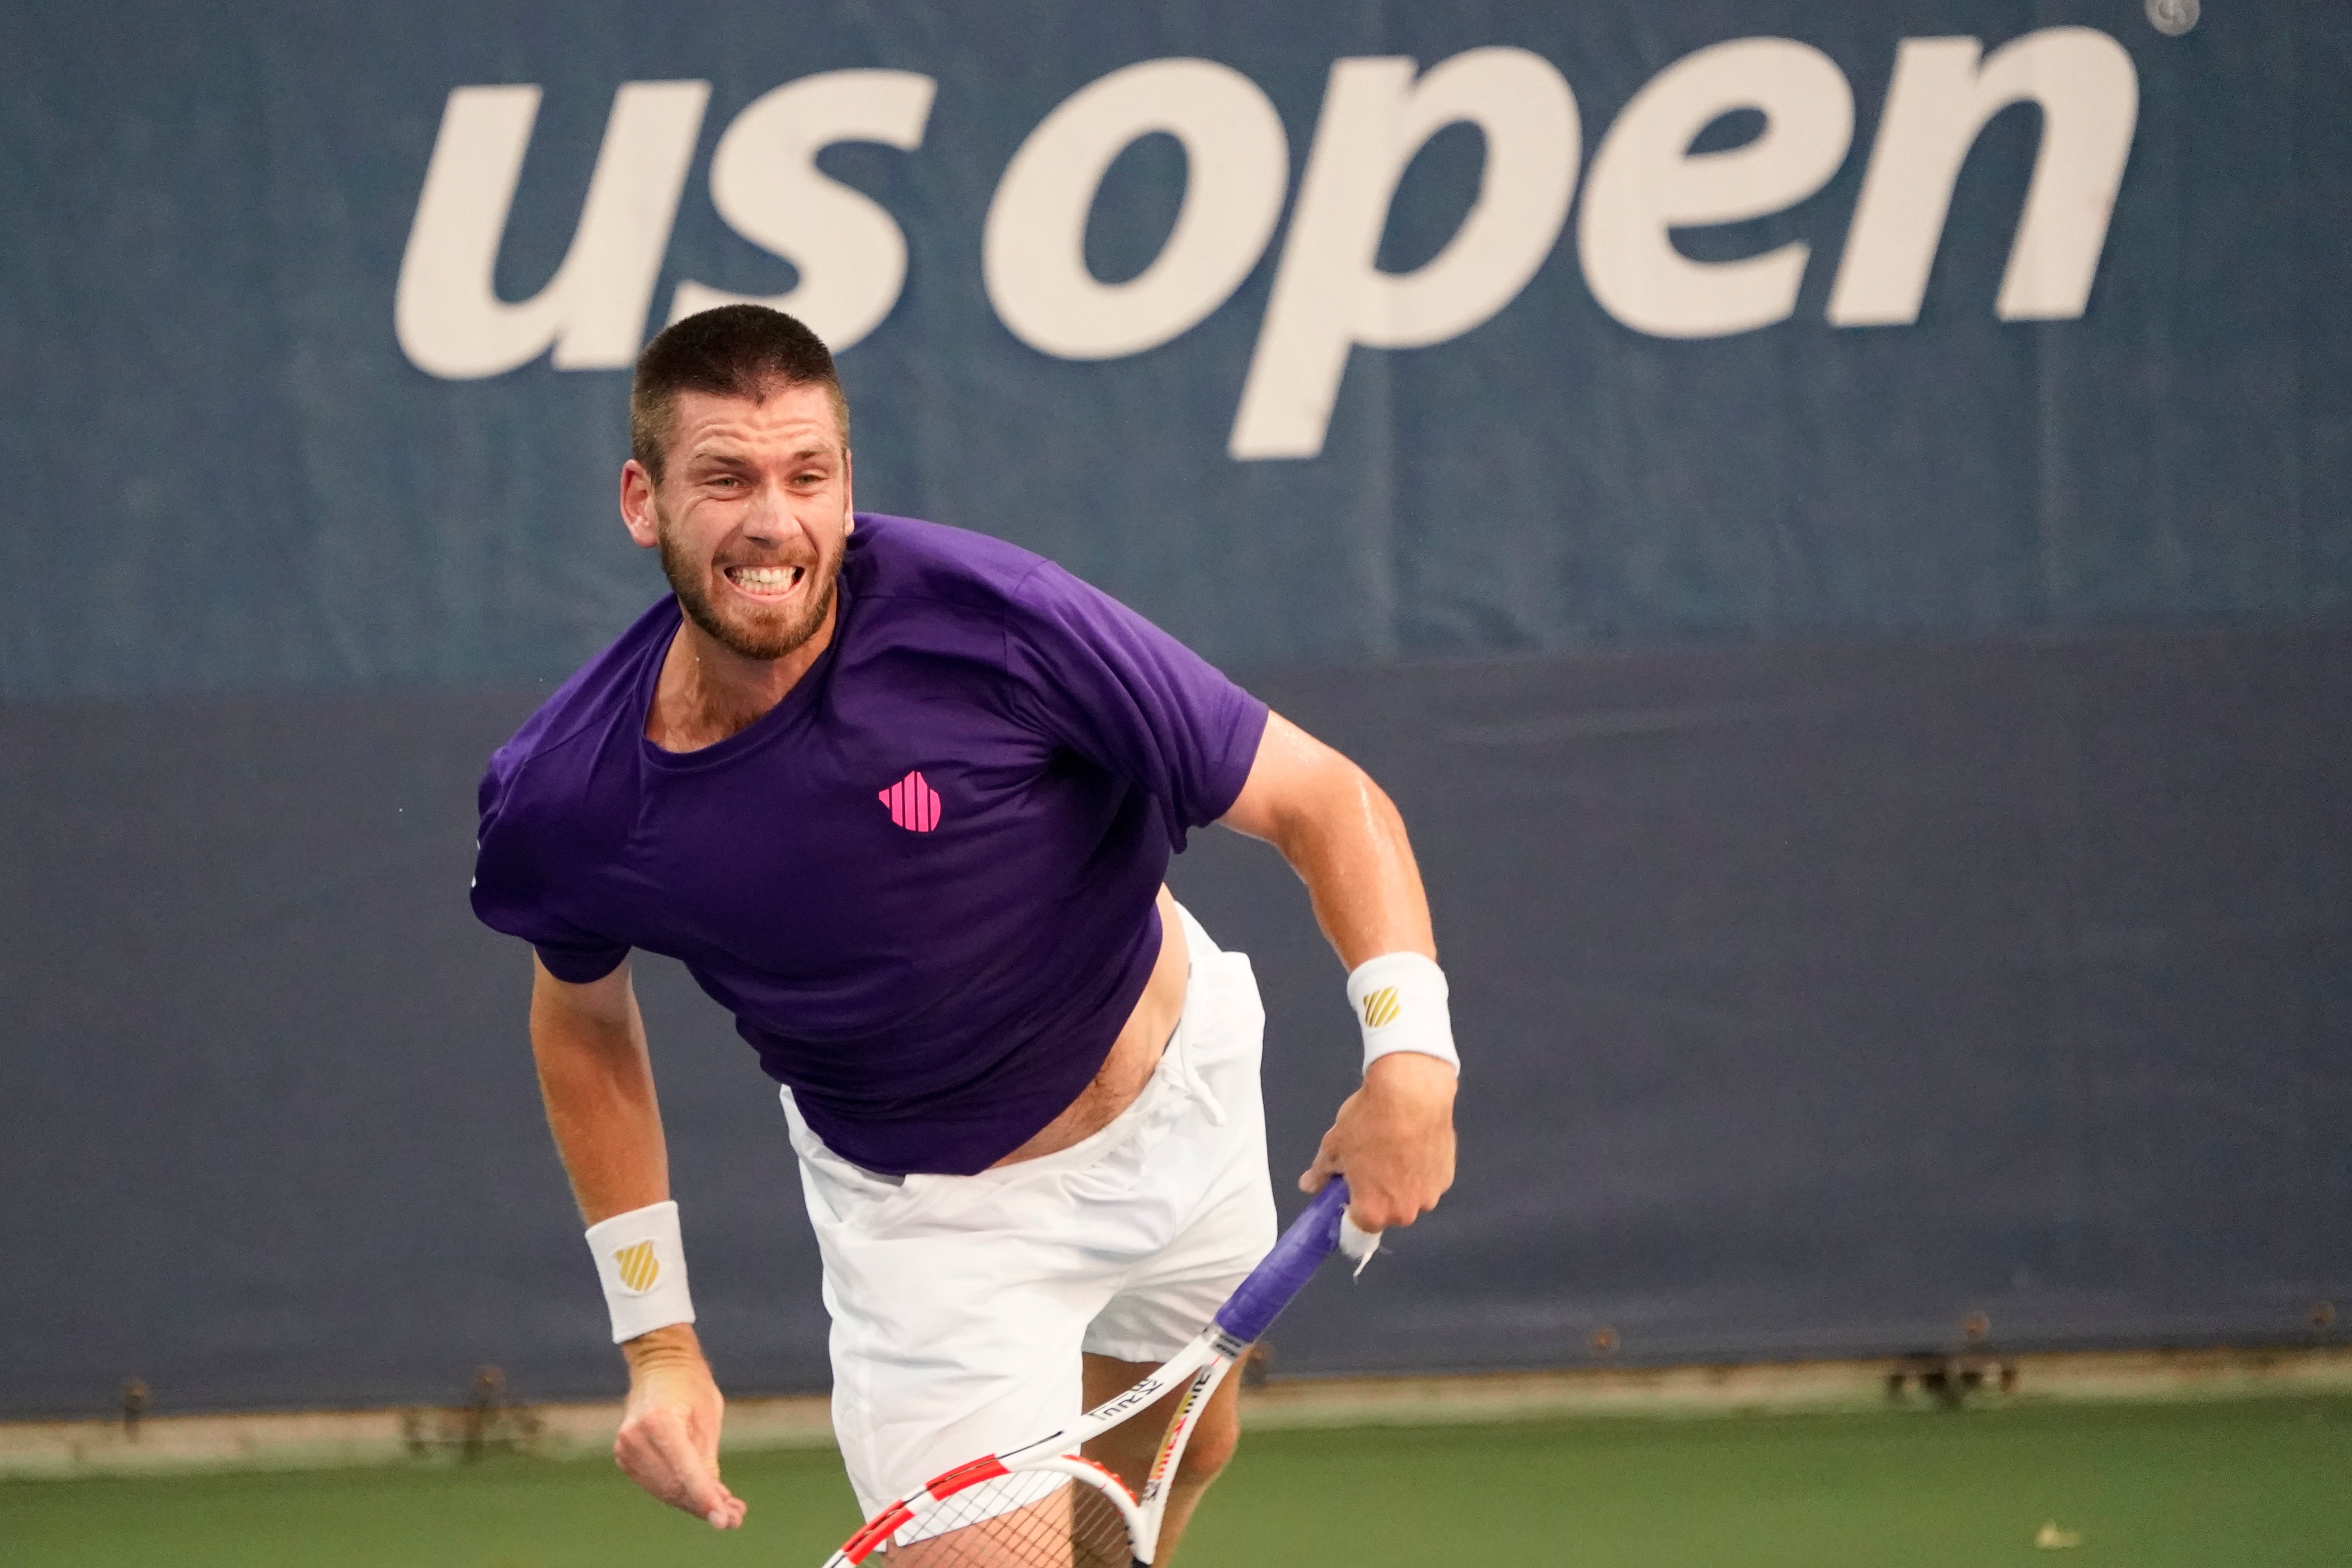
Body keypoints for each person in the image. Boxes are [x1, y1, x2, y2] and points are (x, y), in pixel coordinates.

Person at [470, 304, 1458, 1558]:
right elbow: (583, 1015)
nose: (772, 521)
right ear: (641, 499)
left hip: (1184, 1091)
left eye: (805, 476)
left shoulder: (994, 617)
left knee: (1171, 1458)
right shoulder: (574, 794)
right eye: (723, 479)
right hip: (939, 1226)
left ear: (843, 489)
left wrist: (1412, 1062)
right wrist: (660, 1343)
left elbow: (1324, 800)